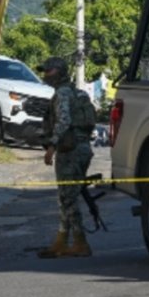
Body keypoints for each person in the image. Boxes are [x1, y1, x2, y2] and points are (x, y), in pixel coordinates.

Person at [36, 56, 97, 258]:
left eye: (49, 71)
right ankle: (61, 241)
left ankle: (80, 242)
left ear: (60, 72)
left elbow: (63, 121)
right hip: (82, 148)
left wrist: (51, 146)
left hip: (69, 150)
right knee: (66, 196)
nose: (46, 75)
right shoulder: (77, 93)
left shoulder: (62, 94)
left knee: (68, 198)